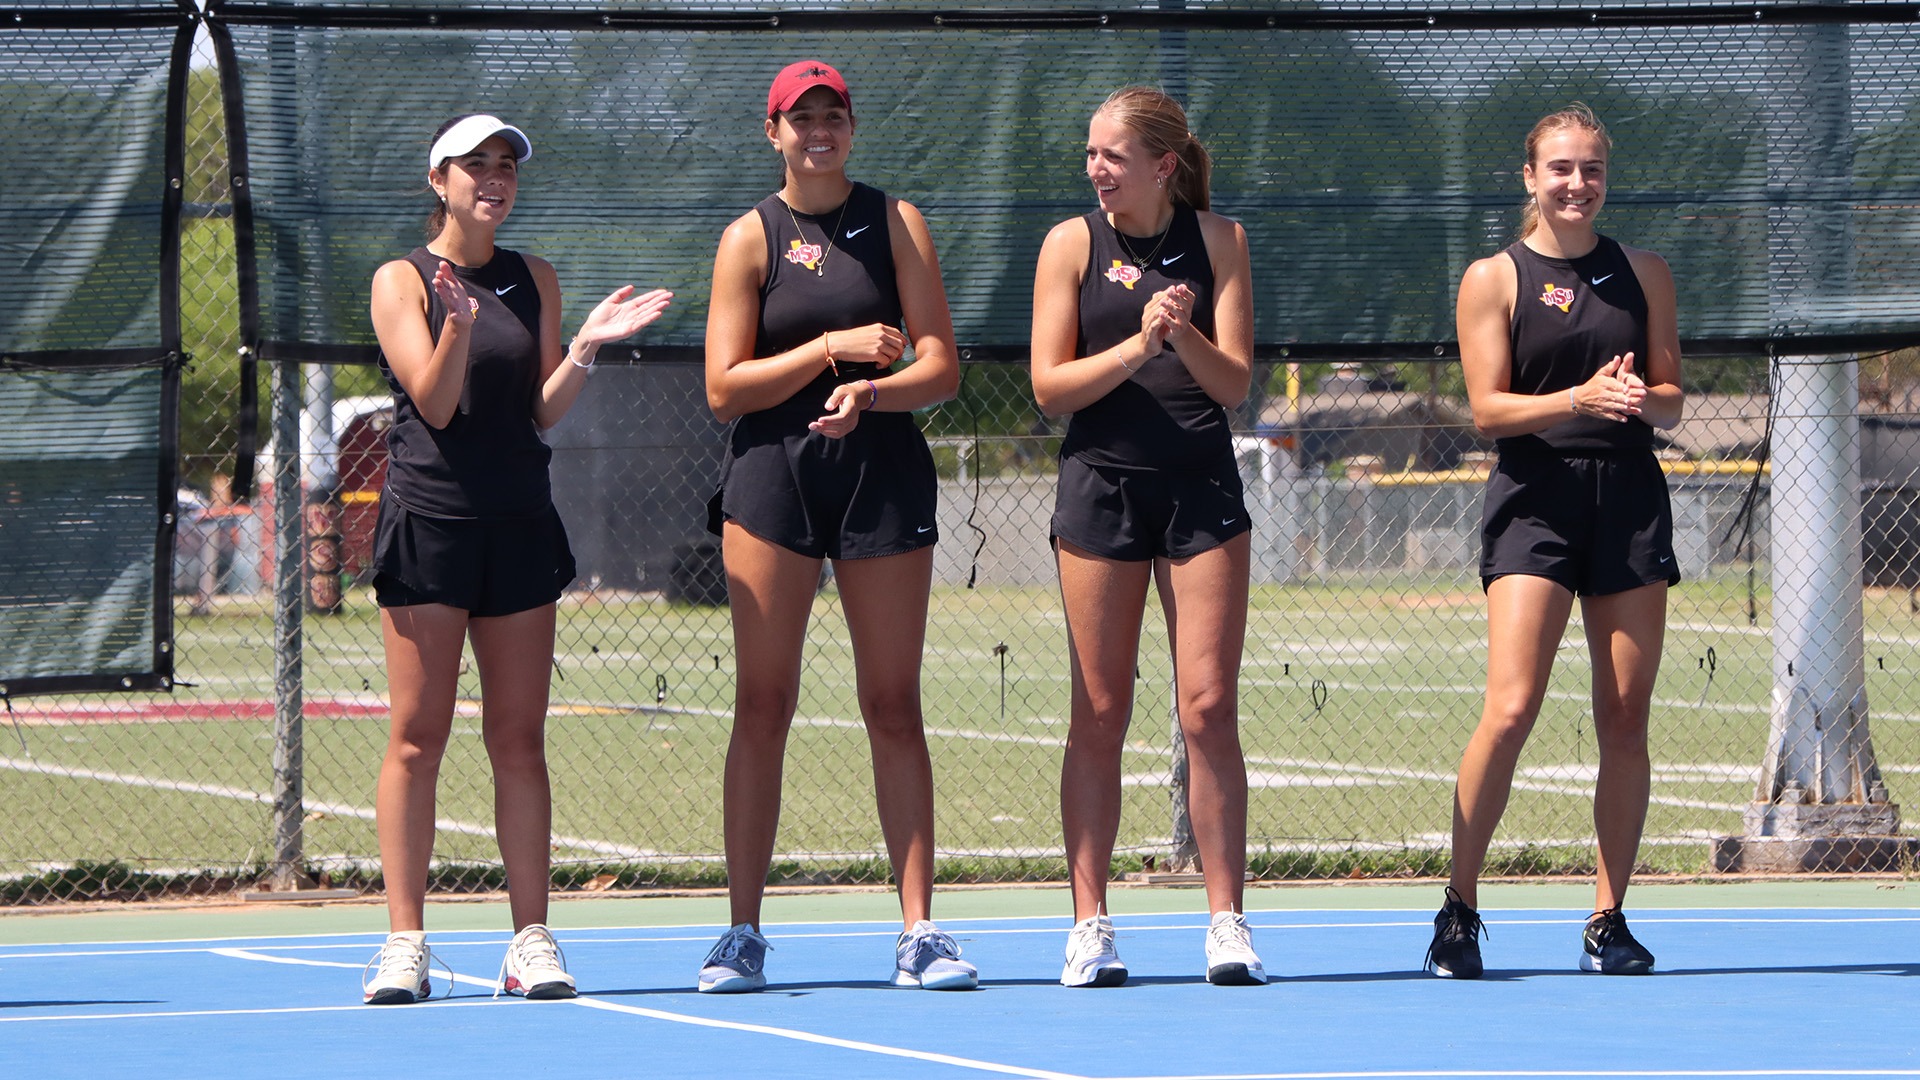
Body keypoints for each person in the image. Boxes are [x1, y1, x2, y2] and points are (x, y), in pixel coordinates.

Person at [363, 113, 673, 1004]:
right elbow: (435, 401)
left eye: (506, 165)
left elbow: (541, 410)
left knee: (518, 738)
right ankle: (405, 944)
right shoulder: (400, 280)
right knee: (417, 738)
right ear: (439, 180)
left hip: (520, 525)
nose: (494, 178)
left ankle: (530, 940)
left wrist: (584, 349)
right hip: (430, 525)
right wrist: (457, 326)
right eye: (476, 165)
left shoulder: (535, 277)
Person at [698, 61, 973, 993]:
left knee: (893, 703)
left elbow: (940, 367)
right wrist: (828, 350)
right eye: (801, 117)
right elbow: (724, 388)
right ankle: (742, 933)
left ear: (851, 127)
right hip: (772, 481)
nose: (819, 131)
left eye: (834, 115)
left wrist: (872, 391)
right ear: (772, 131)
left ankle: (920, 932)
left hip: (880, 475)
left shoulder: (896, 221)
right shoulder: (749, 237)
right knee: (762, 703)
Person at [1427, 104, 1683, 979]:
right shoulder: (1494, 277)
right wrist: (1578, 397)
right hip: (1535, 501)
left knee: (1626, 716)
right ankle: (1458, 909)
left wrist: (1639, 398)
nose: (1579, 184)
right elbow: (1487, 408)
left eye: (1593, 169)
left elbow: (1672, 398)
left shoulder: (1644, 272)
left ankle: (1608, 919)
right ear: (1531, 178)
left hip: (1629, 501)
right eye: (1562, 169)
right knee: (1510, 709)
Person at [1029, 87, 1262, 988]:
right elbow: (1050, 388)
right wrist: (1137, 345)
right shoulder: (1069, 244)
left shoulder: (1222, 241)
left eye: (1113, 156)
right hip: (1101, 489)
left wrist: (1181, 332)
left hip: (1201, 490)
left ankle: (1227, 922)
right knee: (1099, 711)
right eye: (1091, 153)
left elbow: (1233, 384)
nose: (1097, 169)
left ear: (1163, 165)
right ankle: (1089, 925)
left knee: (1207, 708)